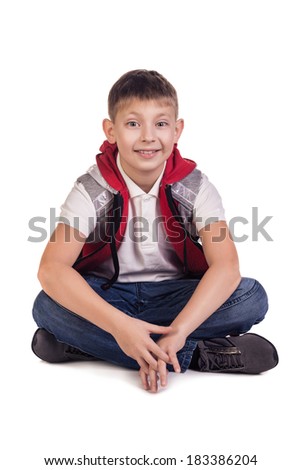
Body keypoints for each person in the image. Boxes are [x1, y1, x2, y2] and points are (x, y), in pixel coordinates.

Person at [31, 69, 278, 393]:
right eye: (133, 124)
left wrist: (179, 330)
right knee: (47, 305)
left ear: (177, 131)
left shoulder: (195, 186)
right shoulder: (91, 188)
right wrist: (120, 325)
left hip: (176, 297)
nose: (148, 136)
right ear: (111, 131)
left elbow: (226, 267)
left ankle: (90, 346)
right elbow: (51, 269)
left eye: (160, 124)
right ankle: (200, 354)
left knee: (250, 297)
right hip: (109, 297)